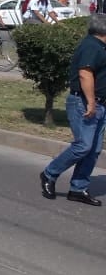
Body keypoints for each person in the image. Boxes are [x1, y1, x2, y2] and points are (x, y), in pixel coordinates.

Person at [39, 14, 106, 206]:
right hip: (83, 102)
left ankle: (78, 188)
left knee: (93, 150)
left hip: (100, 104)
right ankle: (49, 173)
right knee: (83, 146)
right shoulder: (91, 46)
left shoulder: (100, 47)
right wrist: (91, 102)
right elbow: (85, 74)